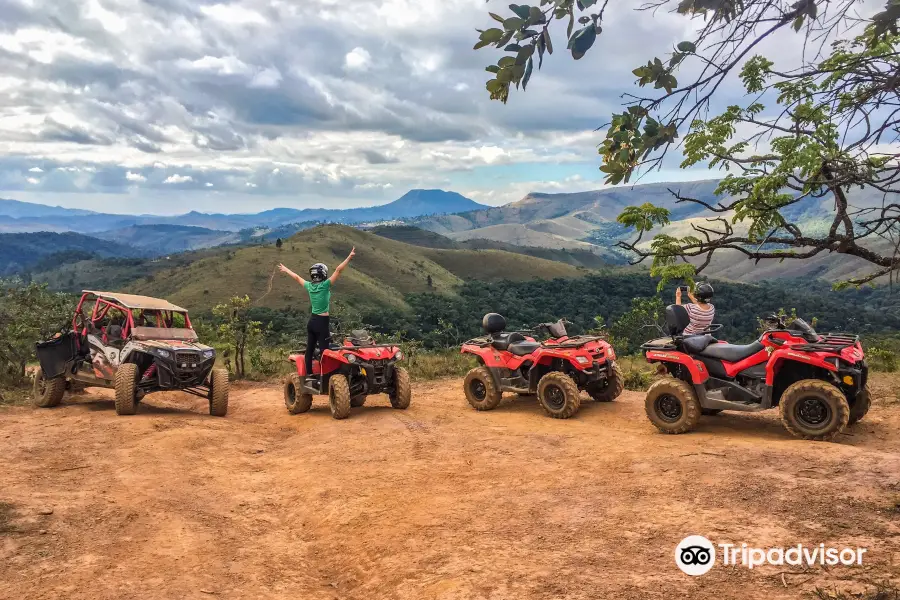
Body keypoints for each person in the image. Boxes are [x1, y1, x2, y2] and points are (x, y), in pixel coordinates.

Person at [278, 247, 356, 380]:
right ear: (324, 274)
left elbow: (297, 277)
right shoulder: (325, 285)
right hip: (322, 323)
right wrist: (349, 256)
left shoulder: (309, 286)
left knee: (310, 348)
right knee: (326, 352)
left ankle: (308, 375)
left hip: (312, 322)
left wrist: (286, 270)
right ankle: (324, 377)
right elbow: (338, 270)